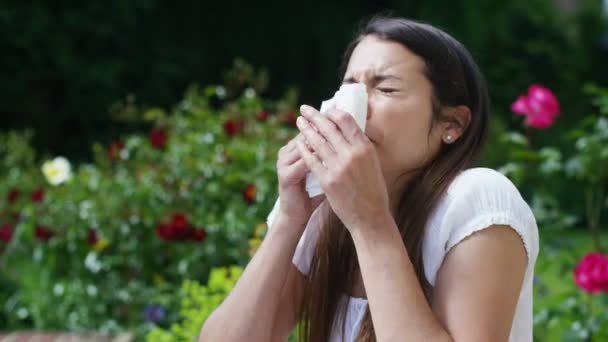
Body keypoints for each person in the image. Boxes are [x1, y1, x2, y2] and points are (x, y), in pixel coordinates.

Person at [200, 16, 538, 342]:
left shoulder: (474, 200)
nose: (353, 108)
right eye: (349, 88)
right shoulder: (322, 211)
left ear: (452, 124)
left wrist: (371, 223)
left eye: (386, 89)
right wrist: (290, 219)